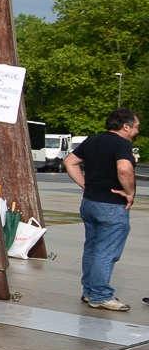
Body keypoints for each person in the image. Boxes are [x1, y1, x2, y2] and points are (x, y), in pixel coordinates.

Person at [65, 107, 139, 311]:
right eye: (136, 127)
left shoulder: (93, 140)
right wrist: (129, 192)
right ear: (126, 126)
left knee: (92, 248)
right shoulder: (122, 144)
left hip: (89, 203)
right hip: (112, 205)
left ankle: (89, 292)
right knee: (106, 252)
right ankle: (100, 295)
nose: (137, 132)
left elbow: (69, 162)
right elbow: (124, 168)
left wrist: (85, 184)